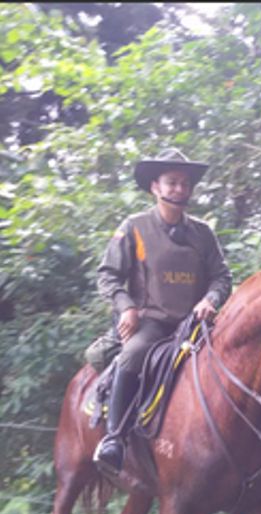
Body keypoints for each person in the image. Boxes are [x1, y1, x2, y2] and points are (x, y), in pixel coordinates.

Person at [93, 147, 232, 473]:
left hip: (197, 324)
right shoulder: (134, 227)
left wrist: (210, 299)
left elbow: (221, 276)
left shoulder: (203, 233)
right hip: (153, 324)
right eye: (172, 182)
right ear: (155, 187)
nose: (180, 189)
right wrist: (126, 307)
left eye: (185, 183)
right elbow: (108, 274)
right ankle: (114, 438)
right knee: (131, 356)